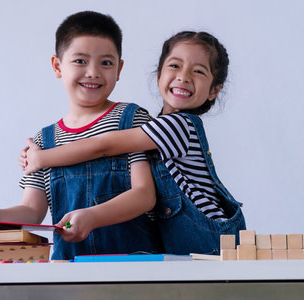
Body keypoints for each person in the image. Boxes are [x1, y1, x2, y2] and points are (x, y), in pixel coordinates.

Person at [19, 31, 246, 255]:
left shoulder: (178, 126)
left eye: (198, 71)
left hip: (211, 243)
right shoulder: (156, 127)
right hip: (184, 247)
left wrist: (42, 158)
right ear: (158, 75)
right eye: (175, 66)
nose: (183, 77)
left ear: (214, 90)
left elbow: (103, 145)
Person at [0, 11, 163, 260]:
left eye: (106, 62)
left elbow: (144, 195)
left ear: (119, 68)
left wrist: (93, 217)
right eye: (80, 61)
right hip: (70, 270)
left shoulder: (131, 120)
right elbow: (31, 211)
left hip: (137, 266)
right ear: (57, 66)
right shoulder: (41, 143)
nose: (93, 72)